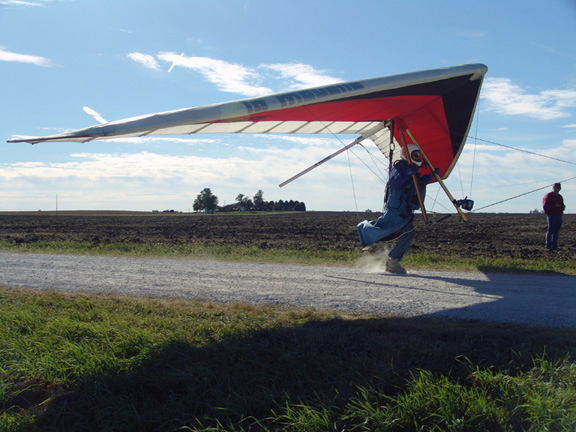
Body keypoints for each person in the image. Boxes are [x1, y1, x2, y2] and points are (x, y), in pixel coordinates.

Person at [357, 144, 435, 274]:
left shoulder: (413, 171)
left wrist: (428, 177)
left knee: (409, 234)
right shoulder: (398, 168)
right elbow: (395, 183)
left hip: (405, 211)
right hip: (395, 211)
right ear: (407, 155)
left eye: (418, 155)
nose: (418, 157)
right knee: (383, 228)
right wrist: (407, 173)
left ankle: (393, 261)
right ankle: (364, 231)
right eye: (415, 155)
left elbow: (416, 185)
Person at [542, 182, 565, 251]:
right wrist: (554, 206)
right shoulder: (548, 195)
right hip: (551, 215)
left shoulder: (560, 197)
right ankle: (548, 245)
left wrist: (561, 207)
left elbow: (563, 205)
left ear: (559, 188)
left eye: (557, 187)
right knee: (550, 230)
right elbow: (545, 206)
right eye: (555, 187)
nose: (556, 189)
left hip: (558, 215)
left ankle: (554, 245)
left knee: (556, 231)